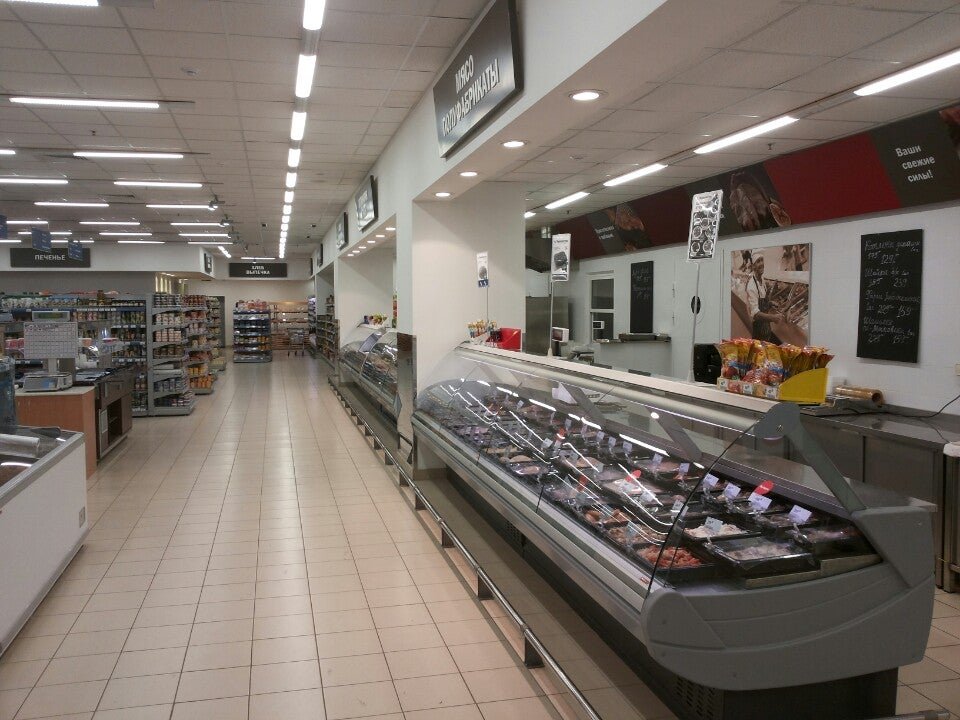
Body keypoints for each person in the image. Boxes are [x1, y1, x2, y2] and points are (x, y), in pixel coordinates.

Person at [745, 250, 783, 343]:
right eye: (758, 261)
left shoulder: (761, 278)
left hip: (766, 327)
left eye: (762, 260)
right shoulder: (751, 286)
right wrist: (773, 318)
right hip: (759, 330)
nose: (761, 263)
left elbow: (762, 301)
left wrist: (770, 303)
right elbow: (756, 314)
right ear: (753, 266)